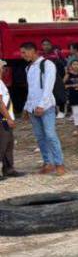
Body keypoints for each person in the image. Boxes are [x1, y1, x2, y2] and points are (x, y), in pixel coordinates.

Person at [20, 41, 65, 175]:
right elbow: (31, 90)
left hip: (46, 107)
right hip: (33, 108)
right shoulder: (28, 68)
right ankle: (48, 162)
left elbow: (48, 87)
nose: (22, 55)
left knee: (50, 135)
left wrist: (41, 105)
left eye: (24, 52)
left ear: (33, 51)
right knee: (40, 137)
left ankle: (59, 163)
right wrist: (27, 108)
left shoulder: (47, 64)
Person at [40, 38, 67, 118]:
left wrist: (65, 76)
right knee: (49, 93)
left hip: (57, 76)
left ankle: (62, 111)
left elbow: (65, 64)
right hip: (45, 77)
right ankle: (53, 111)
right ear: (41, 46)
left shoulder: (57, 53)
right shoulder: (40, 55)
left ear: (51, 45)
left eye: (48, 44)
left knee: (59, 93)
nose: (46, 46)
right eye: (44, 45)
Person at [0, 60, 18, 178]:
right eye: (2, 67)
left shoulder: (1, 82)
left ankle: (9, 169)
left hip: (6, 117)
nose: (3, 69)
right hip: (3, 118)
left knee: (8, 143)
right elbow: (0, 103)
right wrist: (8, 118)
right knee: (2, 144)